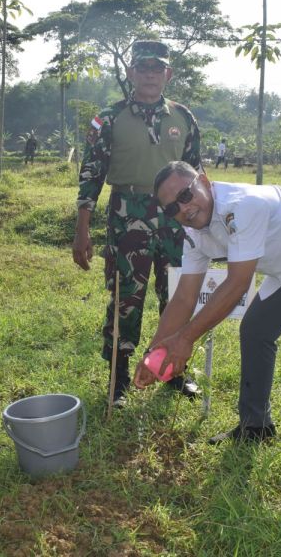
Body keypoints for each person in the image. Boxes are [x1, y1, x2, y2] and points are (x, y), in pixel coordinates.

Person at [135, 161, 281, 486]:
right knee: (256, 330)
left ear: (204, 181)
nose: (184, 208)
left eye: (186, 195)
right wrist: (153, 354)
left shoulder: (241, 206)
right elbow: (184, 298)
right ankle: (255, 426)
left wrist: (185, 339)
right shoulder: (193, 235)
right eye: (173, 207)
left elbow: (237, 284)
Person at [72, 40, 203, 407]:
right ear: (131, 73)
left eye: (156, 68)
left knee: (177, 294)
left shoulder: (183, 117)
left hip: (176, 216)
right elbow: (91, 175)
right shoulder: (109, 118)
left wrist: (203, 226)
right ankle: (118, 378)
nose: (149, 75)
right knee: (126, 296)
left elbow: (198, 174)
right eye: (142, 68)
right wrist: (82, 230)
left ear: (168, 74)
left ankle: (172, 370)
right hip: (127, 213)